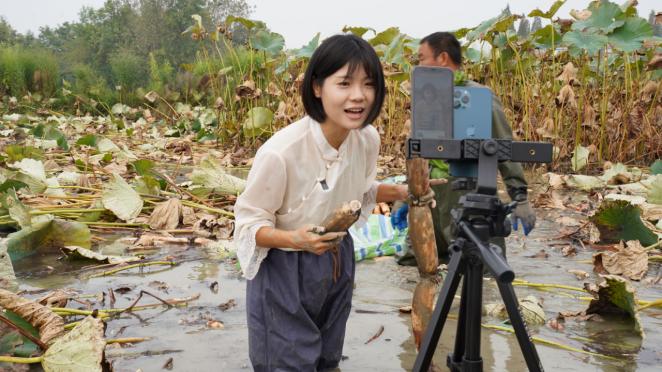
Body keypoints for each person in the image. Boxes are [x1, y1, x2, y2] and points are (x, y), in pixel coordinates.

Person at [234, 34, 408, 371]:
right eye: (344, 83)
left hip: (336, 259)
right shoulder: (280, 152)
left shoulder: (367, 139)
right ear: (317, 87)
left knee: (327, 359)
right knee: (286, 363)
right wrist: (296, 238)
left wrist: (402, 192)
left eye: (368, 84)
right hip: (284, 267)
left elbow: (358, 190)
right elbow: (247, 226)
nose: (358, 96)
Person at [396, 31, 536, 266]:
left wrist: (519, 197)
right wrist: (406, 195)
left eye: (422, 58)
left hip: (467, 195)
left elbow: (503, 147)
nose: (418, 65)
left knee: (477, 266)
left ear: (442, 59)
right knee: (417, 263)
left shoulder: (479, 98)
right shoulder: (426, 101)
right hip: (430, 195)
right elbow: (417, 153)